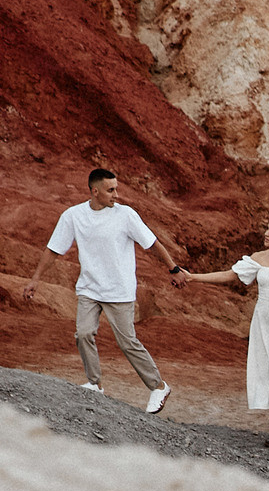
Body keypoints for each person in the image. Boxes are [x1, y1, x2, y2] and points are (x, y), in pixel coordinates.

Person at [23, 167, 180, 413]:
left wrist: (174, 269)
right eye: (110, 190)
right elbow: (54, 249)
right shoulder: (73, 216)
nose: (116, 194)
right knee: (84, 333)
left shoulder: (125, 215)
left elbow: (152, 243)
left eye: (117, 189)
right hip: (89, 288)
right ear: (94, 191)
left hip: (120, 291)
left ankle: (158, 386)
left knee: (127, 342)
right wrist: (35, 279)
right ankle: (95, 384)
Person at [177, 213, 269, 446]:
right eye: (267, 229)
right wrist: (193, 278)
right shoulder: (257, 259)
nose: (266, 233)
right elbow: (229, 275)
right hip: (263, 323)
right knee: (265, 373)